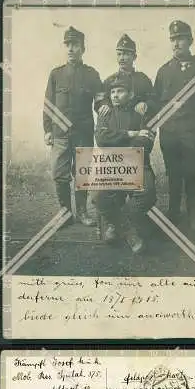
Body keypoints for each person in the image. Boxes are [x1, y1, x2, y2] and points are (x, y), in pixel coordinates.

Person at [154, 20, 195, 230]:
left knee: (192, 174)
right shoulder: (163, 71)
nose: (176, 43)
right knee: (174, 174)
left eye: (180, 39)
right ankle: (173, 213)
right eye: (173, 39)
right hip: (169, 133)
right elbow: (156, 103)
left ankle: (194, 216)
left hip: (193, 132)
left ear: (189, 41)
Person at [43, 26, 103, 226]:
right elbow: (48, 105)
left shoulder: (92, 74)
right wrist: (47, 130)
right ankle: (66, 213)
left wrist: (104, 109)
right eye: (67, 44)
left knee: (82, 172)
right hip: (60, 134)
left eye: (75, 45)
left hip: (83, 132)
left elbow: (101, 101)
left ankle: (83, 212)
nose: (70, 49)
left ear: (82, 48)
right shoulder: (55, 74)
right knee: (59, 173)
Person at [95, 75, 156, 254]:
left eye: (120, 91)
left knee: (147, 194)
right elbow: (101, 139)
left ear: (130, 94)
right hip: (113, 165)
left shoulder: (141, 113)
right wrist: (130, 134)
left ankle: (117, 223)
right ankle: (129, 232)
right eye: (112, 92)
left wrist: (117, 141)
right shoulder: (105, 113)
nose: (114, 95)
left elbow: (146, 142)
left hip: (137, 163)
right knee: (99, 197)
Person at [96, 34, 156, 121]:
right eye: (119, 54)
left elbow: (153, 100)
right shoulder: (109, 81)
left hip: (139, 127)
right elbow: (100, 101)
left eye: (125, 54)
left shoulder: (143, 80)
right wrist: (104, 105)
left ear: (134, 57)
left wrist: (146, 105)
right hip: (117, 129)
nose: (121, 58)